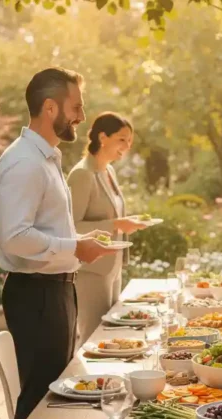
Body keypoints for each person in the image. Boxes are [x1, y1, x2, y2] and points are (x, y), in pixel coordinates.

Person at [0, 68, 122, 419]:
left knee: (56, 394)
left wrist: (76, 250)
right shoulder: (25, 163)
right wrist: (76, 247)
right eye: (75, 107)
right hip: (37, 295)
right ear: (50, 108)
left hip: (56, 290)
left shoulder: (45, 158)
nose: (81, 116)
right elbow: (14, 237)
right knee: (39, 399)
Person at [68, 112, 148, 343]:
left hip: (112, 267)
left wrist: (126, 222)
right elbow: (71, 226)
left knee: (111, 335)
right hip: (92, 270)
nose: (126, 146)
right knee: (93, 336)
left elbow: (113, 215)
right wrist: (115, 225)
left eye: (130, 142)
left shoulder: (108, 171)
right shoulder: (82, 174)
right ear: (102, 137)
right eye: (122, 139)